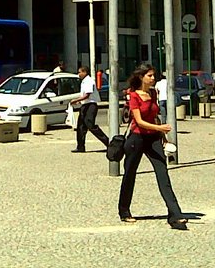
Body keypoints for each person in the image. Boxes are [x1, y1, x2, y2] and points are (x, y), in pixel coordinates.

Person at [117, 63, 187, 229]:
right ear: (142, 77)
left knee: (163, 174)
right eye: (150, 75)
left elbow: (155, 117)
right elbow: (139, 122)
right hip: (137, 138)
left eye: (154, 75)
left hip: (153, 138)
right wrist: (160, 128)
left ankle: (175, 214)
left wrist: (163, 137)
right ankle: (124, 211)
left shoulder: (153, 93)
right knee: (130, 174)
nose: (153, 78)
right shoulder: (134, 95)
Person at [69, 65, 109, 153]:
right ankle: (80, 146)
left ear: (85, 72)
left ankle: (108, 143)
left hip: (90, 105)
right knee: (80, 126)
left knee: (90, 125)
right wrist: (79, 102)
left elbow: (87, 95)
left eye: (80, 72)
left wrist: (76, 100)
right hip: (85, 105)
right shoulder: (84, 82)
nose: (78, 74)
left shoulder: (89, 81)